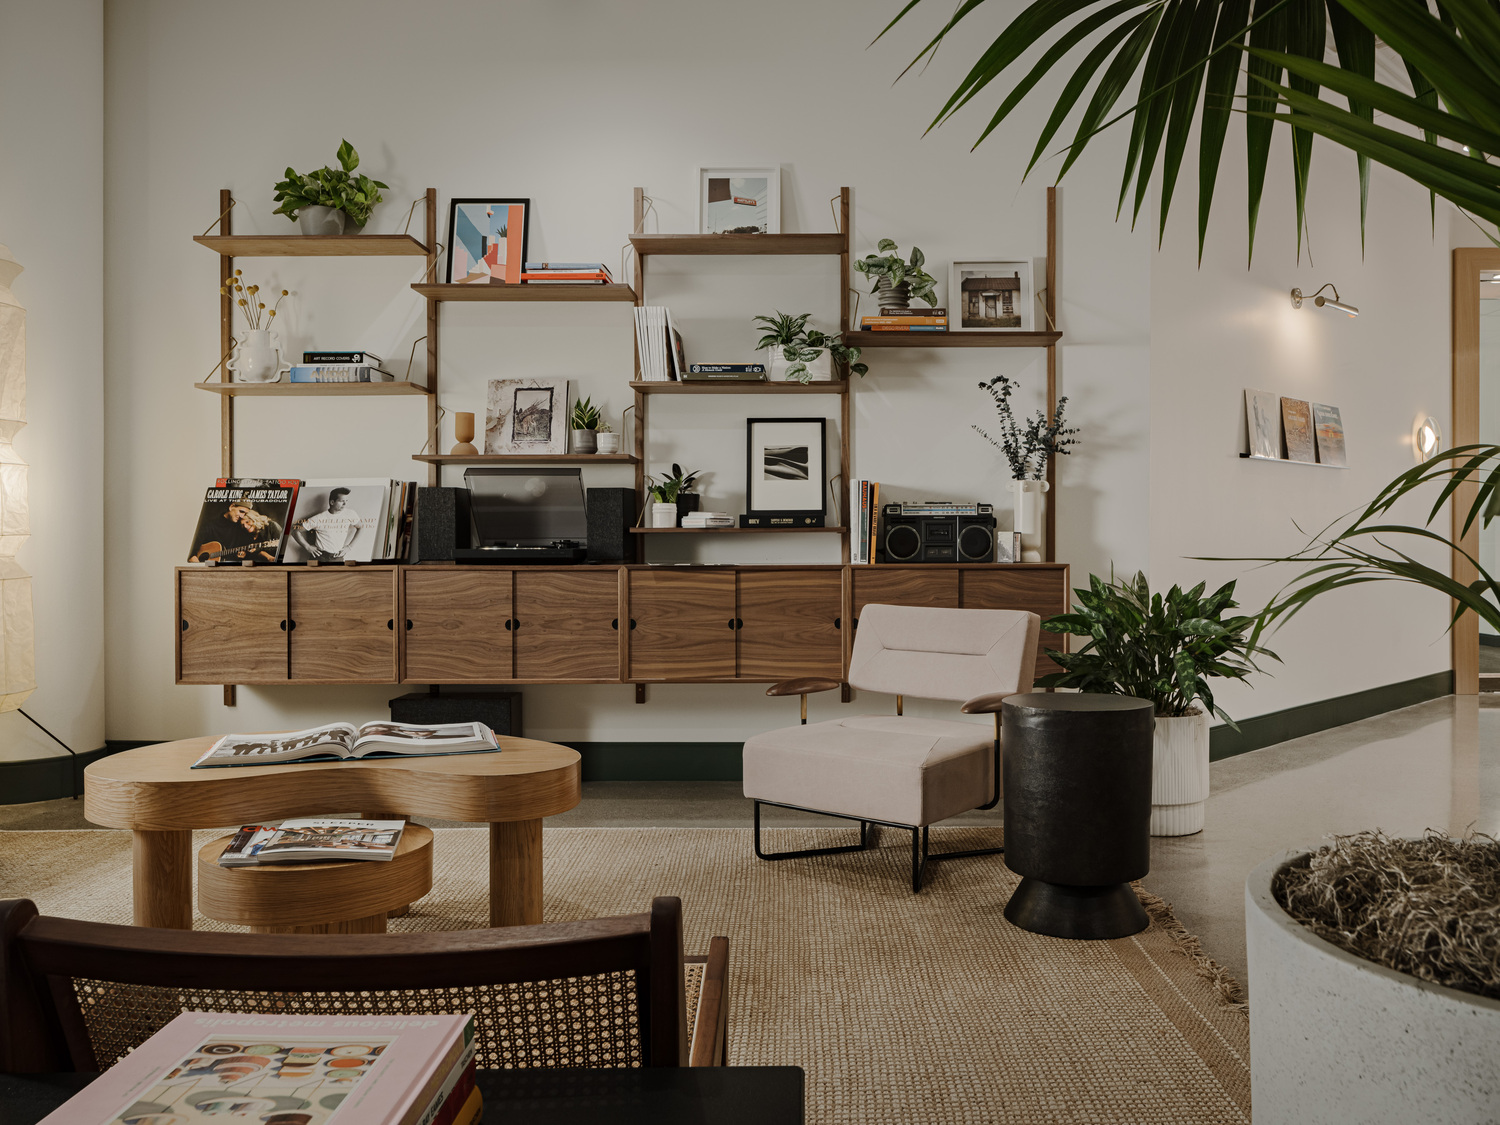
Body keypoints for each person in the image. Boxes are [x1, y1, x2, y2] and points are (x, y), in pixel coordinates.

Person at [292, 487, 362, 562]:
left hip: (338, 557)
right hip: (319, 557)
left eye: (346, 501)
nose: (345, 504)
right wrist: (307, 547)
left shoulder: (350, 514)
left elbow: (360, 527)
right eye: (341, 501)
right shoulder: (319, 518)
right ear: (332, 502)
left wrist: (350, 547)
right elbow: (295, 531)